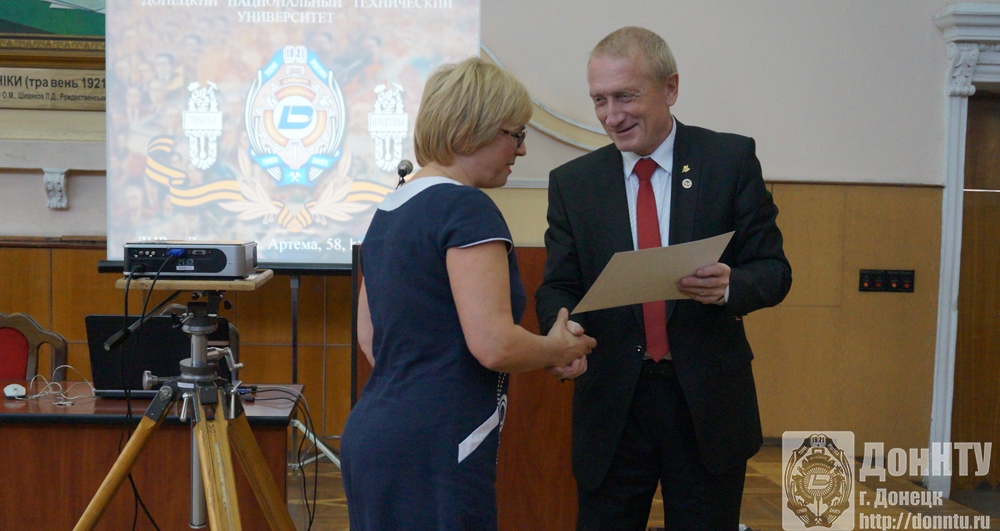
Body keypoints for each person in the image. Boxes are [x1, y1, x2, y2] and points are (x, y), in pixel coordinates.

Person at [536, 27, 792, 530]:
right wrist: (559, 328)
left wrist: (729, 287)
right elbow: (559, 284)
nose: (612, 115)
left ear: (670, 88)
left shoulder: (729, 161)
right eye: (600, 100)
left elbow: (774, 270)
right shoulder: (574, 183)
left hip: (707, 405)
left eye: (626, 96)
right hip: (612, 404)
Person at [341, 57, 596, 531]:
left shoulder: (390, 208)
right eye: (514, 134)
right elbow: (494, 345)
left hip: (375, 435)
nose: (521, 149)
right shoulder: (466, 209)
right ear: (468, 130)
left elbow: (370, 340)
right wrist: (557, 348)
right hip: (438, 443)